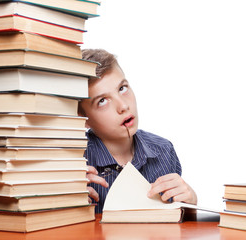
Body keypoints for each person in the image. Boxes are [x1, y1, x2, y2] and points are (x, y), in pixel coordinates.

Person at [78, 49, 197, 213]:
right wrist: (67, 202)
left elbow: (178, 225)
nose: (123, 106)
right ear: (82, 117)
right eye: (103, 101)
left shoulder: (164, 150)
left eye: (122, 88)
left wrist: (190, 205)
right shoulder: (75, 162)